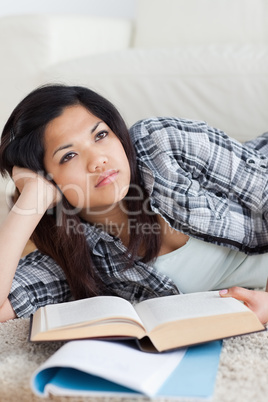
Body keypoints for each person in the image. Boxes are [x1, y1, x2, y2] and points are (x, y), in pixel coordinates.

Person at [0, 84, 268, 324]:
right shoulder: (77, 254)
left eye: (101, 135)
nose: (98, 160)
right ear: (49, 179)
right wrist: (33, 200)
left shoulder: (161, 144)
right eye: (69, 155)